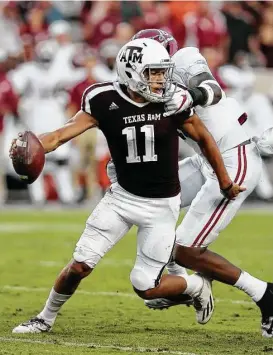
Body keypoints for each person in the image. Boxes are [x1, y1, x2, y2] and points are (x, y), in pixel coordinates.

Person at [10, 38, 241, 333]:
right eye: (153, 72)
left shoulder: (173, 99)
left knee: (145, 286)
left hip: (161, 205)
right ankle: (45, 317)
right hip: (121, 199)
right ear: (131, 71)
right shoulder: (104, 98)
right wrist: (35, 146)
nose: (160, 79)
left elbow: (204, 138)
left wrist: (224, 181)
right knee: (80, 263)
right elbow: (61, 134)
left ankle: (195, 285)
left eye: (162, 72)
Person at [112, 30, 273, 338]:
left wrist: (191, 96)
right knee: (149, 200)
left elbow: (210, 88)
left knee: (186, 249)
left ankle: (265, 295)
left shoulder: (184, 58)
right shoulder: (146, 88)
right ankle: (186, 284)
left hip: (232, 157)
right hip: (206, 160)